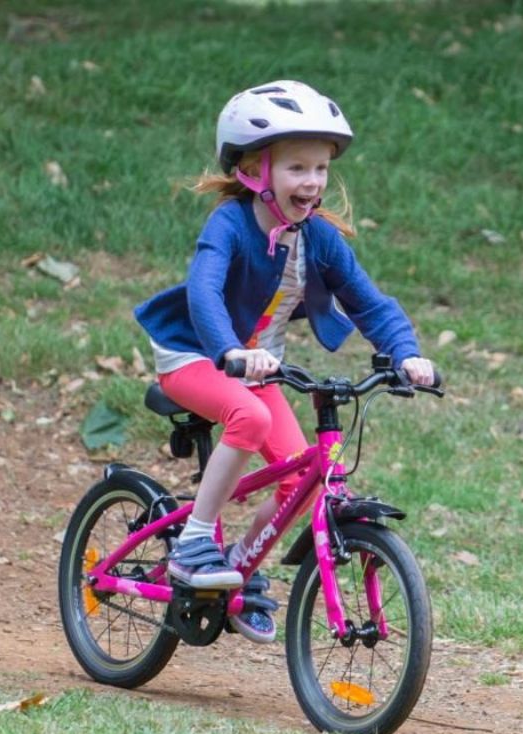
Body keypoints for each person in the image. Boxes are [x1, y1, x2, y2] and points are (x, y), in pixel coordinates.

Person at [134, 80, 434, 644]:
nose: (314, 182)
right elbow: (204, 292)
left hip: (258, 364)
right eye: (298, 168)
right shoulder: (229, 224)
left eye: (321, 169)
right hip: (196, 355)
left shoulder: (317, 237)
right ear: (255, 169)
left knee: (306, 473)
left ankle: (240, 567)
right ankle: (197, 537)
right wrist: (229, 350)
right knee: (250, 419)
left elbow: (369, 301)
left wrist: (407, 354)